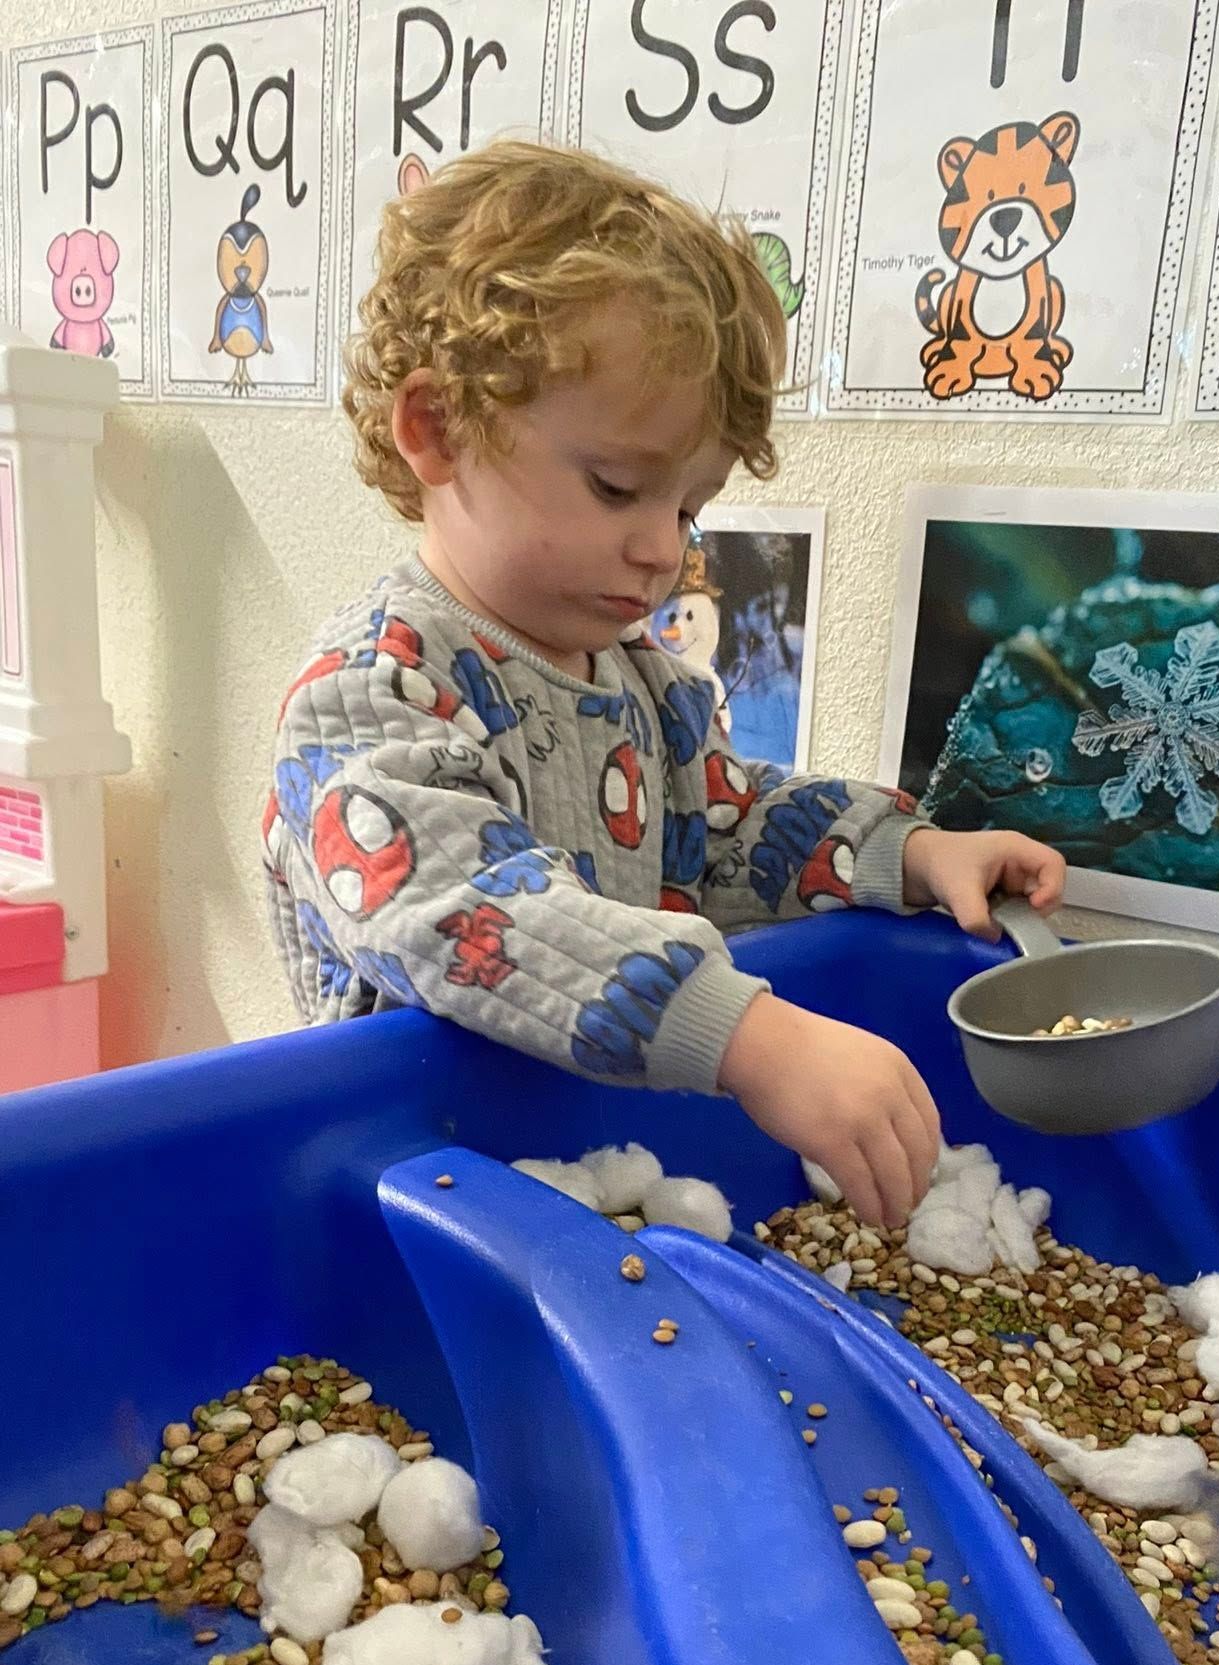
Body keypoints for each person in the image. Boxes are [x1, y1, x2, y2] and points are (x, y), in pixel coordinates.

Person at [264, 140, 1066, 1229]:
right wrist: (746, 1034)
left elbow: (728, 831)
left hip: (596, 1174)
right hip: (414, 1193)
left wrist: (910, 852)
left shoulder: (645, 688)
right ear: (436, 428)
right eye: (618, 487)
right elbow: (468, 913)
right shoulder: (371, 692)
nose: (663, 551)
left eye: (689, 508)